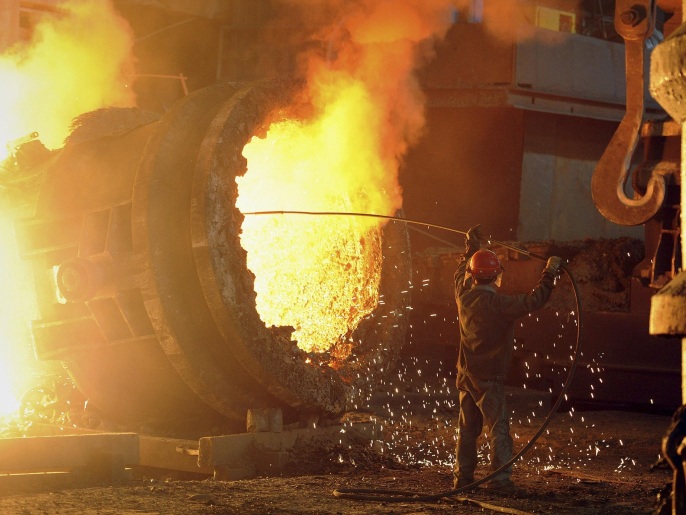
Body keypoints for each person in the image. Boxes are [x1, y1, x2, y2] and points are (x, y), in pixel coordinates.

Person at [453, 225, 562, 494]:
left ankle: (462, 479)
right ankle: (499, 481)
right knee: (497, 429)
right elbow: (535, 300)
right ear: (496, 277)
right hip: (489, 378)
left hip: (466, 376)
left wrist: (470, 249)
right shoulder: (500, 306)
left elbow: (459, 274)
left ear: (472, 276)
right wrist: (550, 272)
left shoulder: (463, 297)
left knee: (467, 430)